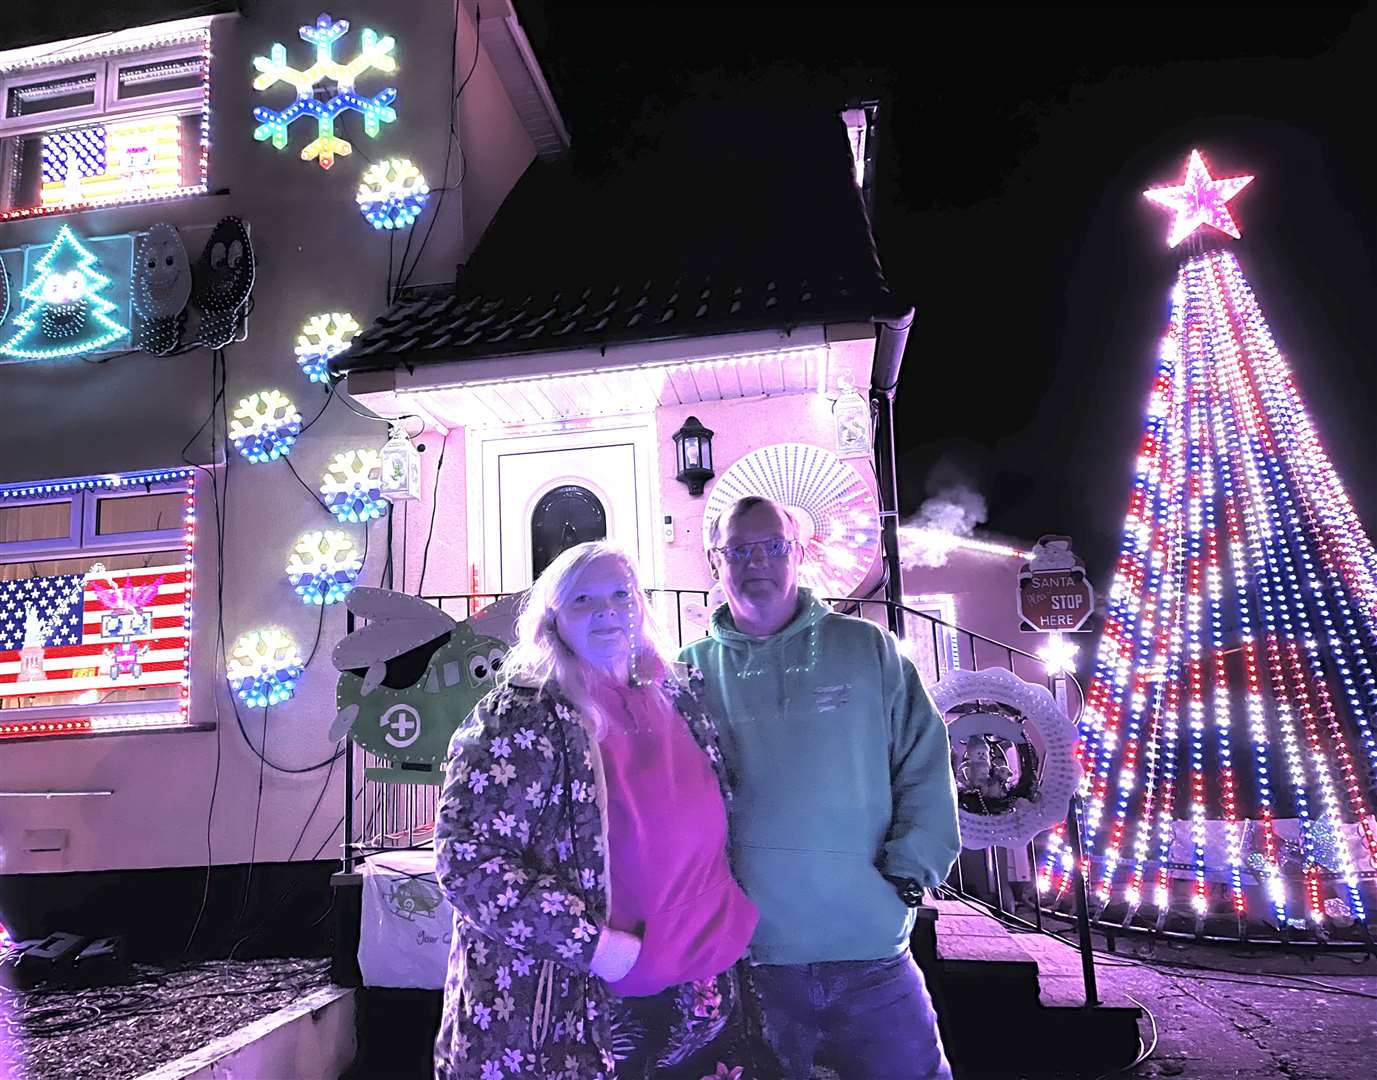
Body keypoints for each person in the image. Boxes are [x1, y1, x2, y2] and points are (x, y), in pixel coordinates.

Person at [433, 541, 760, 1079]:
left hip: (701, 984)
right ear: (553, 619)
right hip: (575, 1006)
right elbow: (466, 861)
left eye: (620, 594)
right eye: (583, 598)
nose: (607, 610)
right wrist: (595, 947)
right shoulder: (517, 715)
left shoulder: (681, 691)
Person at [681, 495, 961, 1080]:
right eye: (739, 550)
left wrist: (907, 877)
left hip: (872, 957)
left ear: (799, 553)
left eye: (773, 546)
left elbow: (924, 764)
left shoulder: (868, 651)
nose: (756, 562)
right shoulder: (687, 673)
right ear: (716, 561)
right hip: (752, 962)